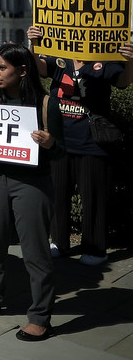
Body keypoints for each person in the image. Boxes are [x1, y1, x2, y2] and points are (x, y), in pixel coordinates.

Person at [0, 44, 64, 342]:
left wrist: (49, 144)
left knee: (35, 251)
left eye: (2, 68)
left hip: (31, 184)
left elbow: (61, 152)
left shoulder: (46, 104)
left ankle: (41, 317)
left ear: (22, 70)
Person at [27, 26, 133, 265]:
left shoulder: (104, 61)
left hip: (91, 143)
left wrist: (130, 62)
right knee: (58, 194)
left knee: (93, 197)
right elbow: (40, 70)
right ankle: (59, 242)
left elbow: (123, 82)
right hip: (59, 140)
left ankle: (95, 249)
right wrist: (33, 45)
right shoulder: (59, 55)